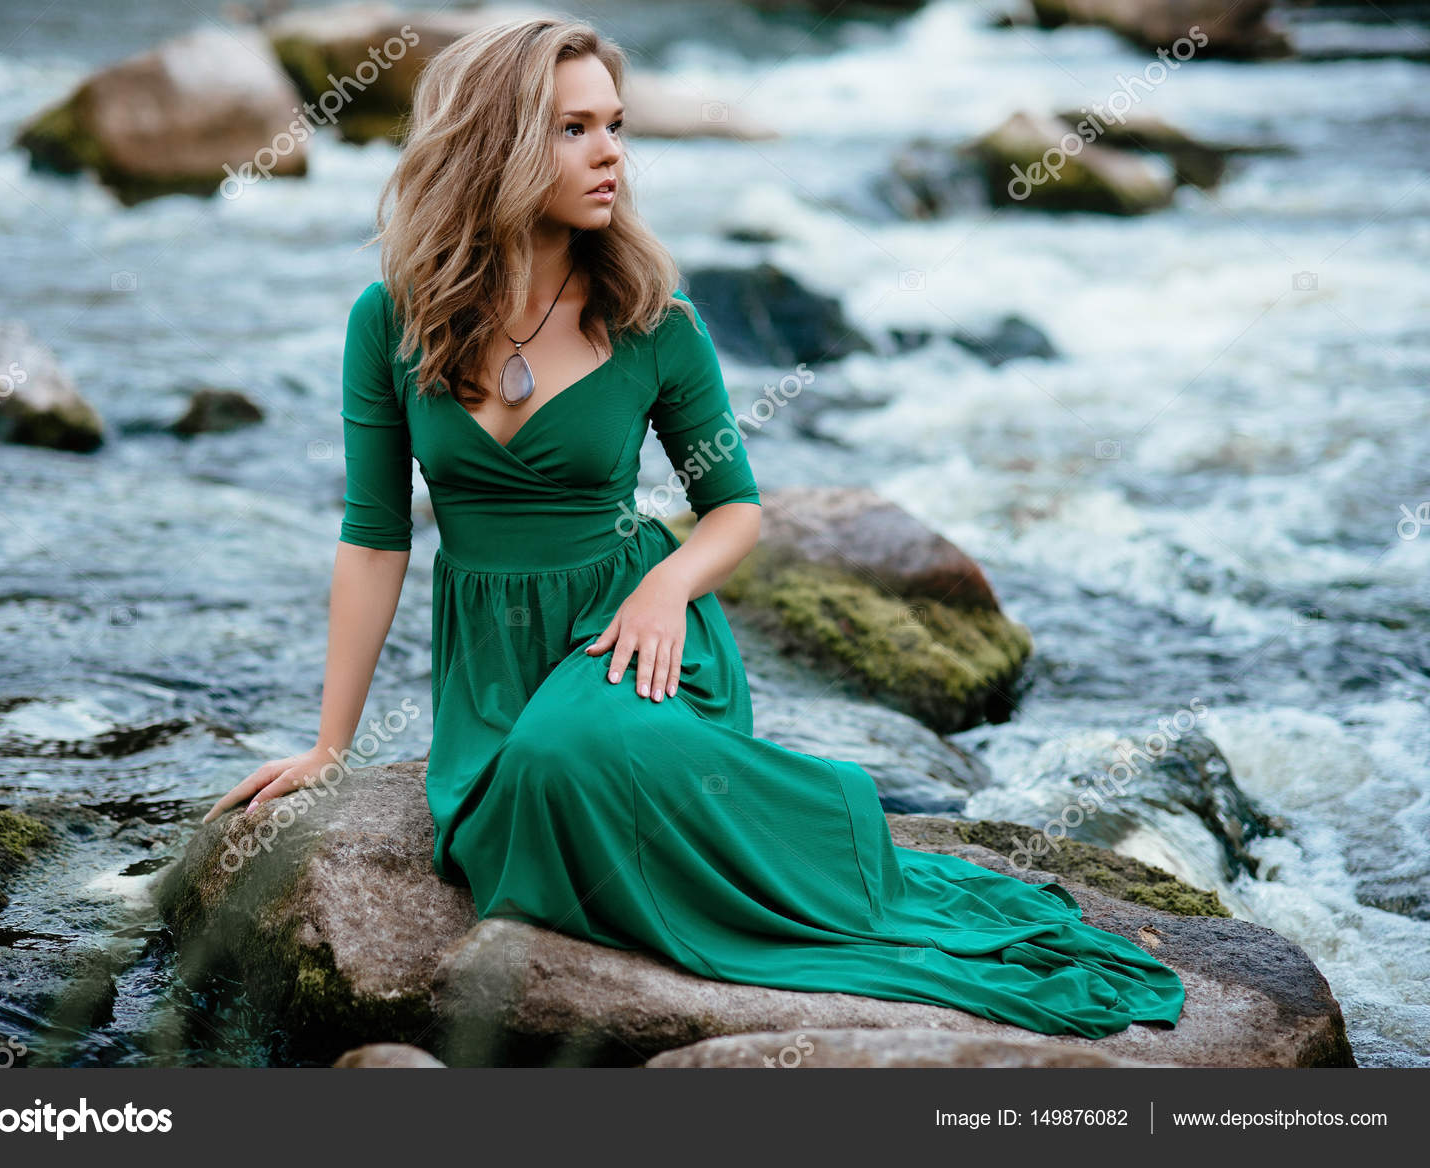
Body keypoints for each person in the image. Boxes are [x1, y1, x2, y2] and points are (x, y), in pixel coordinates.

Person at [203, 17, 1185, 1040]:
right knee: (515, 795)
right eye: (573, 127)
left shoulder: (650, 316)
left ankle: (831, 830)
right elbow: (373, 537)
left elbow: (736, 510)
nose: (610, 153)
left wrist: (667, 584)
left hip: (635, 631)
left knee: (564, 757)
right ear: (494, 143)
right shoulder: (391, 319)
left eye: (616, 125)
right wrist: (329, 742)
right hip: (491, 665)